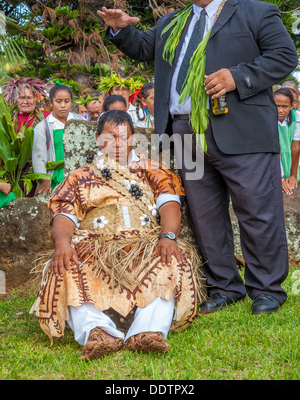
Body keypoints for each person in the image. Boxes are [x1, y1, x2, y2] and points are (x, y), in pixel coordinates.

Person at [99, 0, 298, 315]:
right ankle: (225, 285)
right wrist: (120, 30)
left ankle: (267, 289)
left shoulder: (256, 12)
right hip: (185, 134)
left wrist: (238, 76)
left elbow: (285, 56)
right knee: (205, 215)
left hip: (241, 131)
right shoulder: (174, 22)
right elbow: (146, 48)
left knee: (257, 212)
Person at [30, 110, 201, 360]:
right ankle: (98, 332)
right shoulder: (79, 177)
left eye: (124, 137)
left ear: (133, 139)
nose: (118, 144)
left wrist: (168, 237)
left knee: (171, 260)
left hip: (144, 245)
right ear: (98, 138)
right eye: (110, 138)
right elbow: (64, 216)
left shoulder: (154, 170)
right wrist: (63, 244)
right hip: (95, 247)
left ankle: (147, 332)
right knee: (65, 266)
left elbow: (169, 206)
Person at [32, 83, 82, 195]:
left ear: (71, 102)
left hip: (79, 177)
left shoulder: (80, 120)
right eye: (58, 101)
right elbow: (38, 157)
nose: (63, 105)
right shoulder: (43, 127)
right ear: (51, 102)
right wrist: (44, 181)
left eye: (67, 101)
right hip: (56, 179)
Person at [274, 88, 300, 195]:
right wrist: (280, 178)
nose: (280, 110)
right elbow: (276, 148)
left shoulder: (296, 117)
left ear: (291, 106)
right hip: (274, 157)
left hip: (289, 158)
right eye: (277, 106)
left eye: (284, 106)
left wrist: (293, 174)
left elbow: (295, 146)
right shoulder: (268, 118)